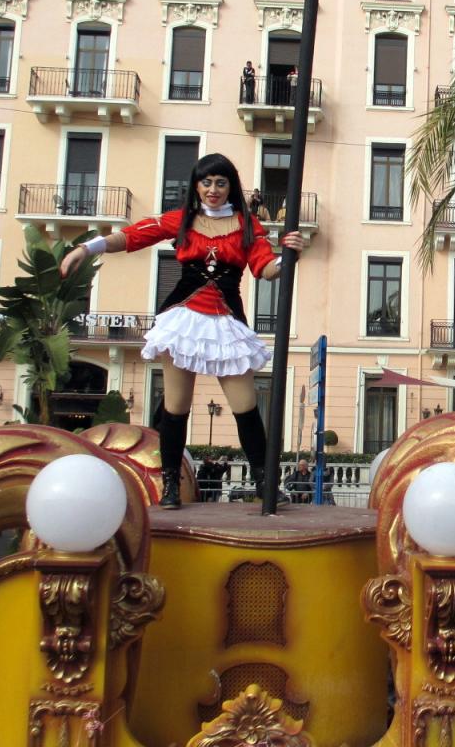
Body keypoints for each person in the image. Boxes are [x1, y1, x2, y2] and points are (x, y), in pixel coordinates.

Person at [61, 153, 305, 509]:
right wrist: (86, 248)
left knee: (246, 407)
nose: (213, 190)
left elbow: (265, 268)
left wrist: (289, 256)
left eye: (221, 183)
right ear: (196, 186)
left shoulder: (248, 224)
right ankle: (171, 486)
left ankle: (264, 482)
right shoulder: (181, 221)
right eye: (206, 182)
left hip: (226, 323)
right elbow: (132, 236)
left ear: (230, 187)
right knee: (175, 407)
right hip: (183, 319)